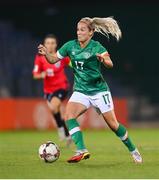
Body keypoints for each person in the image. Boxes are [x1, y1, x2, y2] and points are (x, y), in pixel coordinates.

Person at [38, 17, 143, 163]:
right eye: (77, 29)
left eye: (82, 30)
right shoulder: (70, 46)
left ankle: (133, 150)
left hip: (99, 91)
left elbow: (110, 63)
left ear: (91, 33)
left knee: (113, 125)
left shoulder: (96, 47)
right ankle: (81, 150)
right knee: (69, 116)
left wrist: (103, 60)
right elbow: (53, 59)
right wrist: (46, 54)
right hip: (81, 91)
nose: (79, 32)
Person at [33, 34, 71, 145]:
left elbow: (72, 64)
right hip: (48, 91)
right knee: (55, 111)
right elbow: (35, 75)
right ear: (44, 45)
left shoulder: (60, 56)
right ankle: (67, 134)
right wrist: (42, 74)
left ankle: (60, 129)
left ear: (56, 45)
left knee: (54, 107)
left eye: (52, 43)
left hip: (62, 87)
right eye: (48, 43)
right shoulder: (39, 58)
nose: (50, 45)